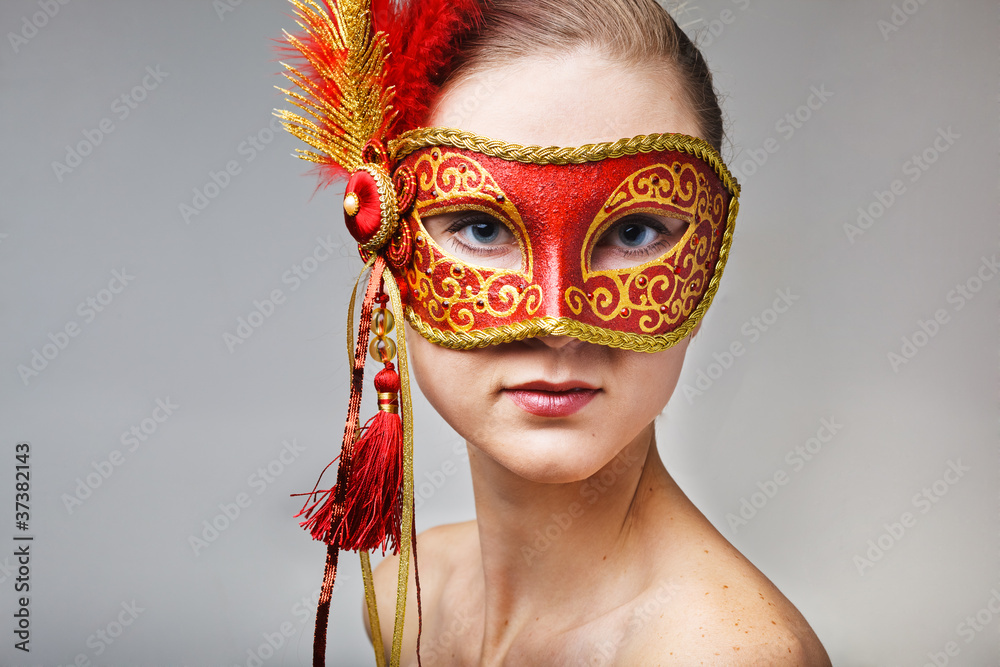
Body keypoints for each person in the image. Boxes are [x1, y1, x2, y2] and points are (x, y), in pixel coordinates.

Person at [278, 0, 831, 664]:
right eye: (481, 228)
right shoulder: (409, 599)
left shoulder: (723, 653)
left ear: (708, 260)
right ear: (385, 242)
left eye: (634, 232)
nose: (558, 322)